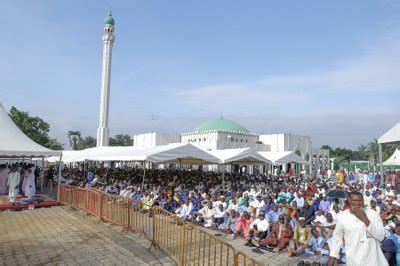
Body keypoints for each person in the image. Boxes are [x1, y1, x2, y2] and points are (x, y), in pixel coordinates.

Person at [328, 191, 388, 266]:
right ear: (349, 201)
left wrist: (365, 219)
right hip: (354, 259)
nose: (357, 203)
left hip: (373, 259)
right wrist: (333, 256)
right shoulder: (342, 216)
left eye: (359, 200)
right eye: (354, 200)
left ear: (363, 201)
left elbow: (381, 236)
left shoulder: (373, 214)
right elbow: (337, 237)